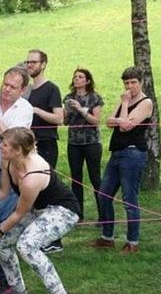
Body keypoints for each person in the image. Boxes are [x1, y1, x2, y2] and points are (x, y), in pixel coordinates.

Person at [0, 127, 80, 294]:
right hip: (40, 209)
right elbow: (2, 192)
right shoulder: (8, 161)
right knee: (1, 243)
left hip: (64, 211)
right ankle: (18, 290)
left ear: (17, 150)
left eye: (4, 145)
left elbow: (20, 213)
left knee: (27, 245)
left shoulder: (32, 176)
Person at [89, 66, 152, 254]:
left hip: (133, 154)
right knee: (104, 195)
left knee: (129, 198)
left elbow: (124, 126)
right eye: (126, 83)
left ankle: (132, 241)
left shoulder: (145, 102)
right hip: (117, 153)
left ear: (141, 83)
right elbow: (109, 121)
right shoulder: (124, 99)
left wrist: (124, 106)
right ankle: (107, 237)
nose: (130, 86)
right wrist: (121, 115)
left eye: (133, 82)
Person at [24, 49, 64, 253]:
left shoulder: (52, 89)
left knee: (47, 190)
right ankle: (37, 236)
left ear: (43, 64)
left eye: (33, 62)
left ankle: (55, 239)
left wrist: (37, 110)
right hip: (29, 147)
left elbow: (59, 118)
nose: (29, 65)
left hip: (47, 144)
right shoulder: (28, 90)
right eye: (27, 61)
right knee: (32, 191)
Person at [0, 66, 34, 225]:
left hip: (10, 170)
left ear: (23, 90)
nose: (6, 89)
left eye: (12, 87)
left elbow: (12, 138)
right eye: (5, 84)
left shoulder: (25, 108)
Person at [63, 68, 104, 224]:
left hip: (92, 142)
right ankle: (78, 214)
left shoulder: (94, 98)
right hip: (74, 143)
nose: (77, 79)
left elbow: (96, 120)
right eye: (75, 77)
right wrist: (66, 113)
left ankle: (103, 214)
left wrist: (81, 109)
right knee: (76, 179)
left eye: (80, 77)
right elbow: (65, 122)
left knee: (95, 178)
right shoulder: (68, 98)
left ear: (87, 81)